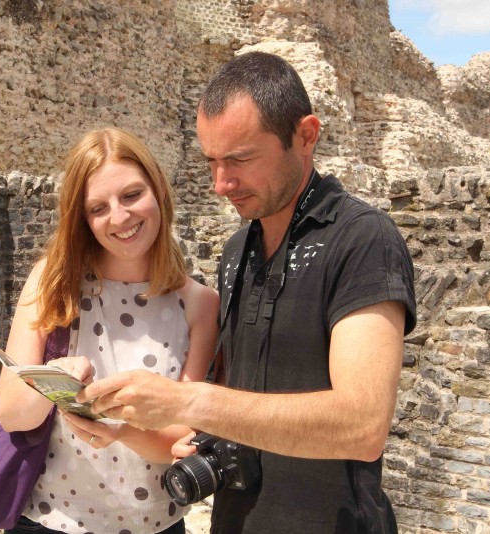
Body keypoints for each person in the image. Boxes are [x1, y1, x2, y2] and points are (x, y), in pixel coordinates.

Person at [77, 51, 417, 533]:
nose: (221, 184)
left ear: (305, 135)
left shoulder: (364, 239)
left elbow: (362, 425)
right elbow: (244, 399)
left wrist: (187, 402)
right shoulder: (238, 247)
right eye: (212, 161)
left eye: (239, 159)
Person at [0, 127, 220, 533]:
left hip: (157, 525)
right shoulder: (51, 280)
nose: (120, 217)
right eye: (98, 208)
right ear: (82, 219)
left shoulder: (200, 303)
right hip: (51, 521)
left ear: (159, 191)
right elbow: (11, 415)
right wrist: (56, 380)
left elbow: (181, 435)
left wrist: (120, 431)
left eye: (132, 195)